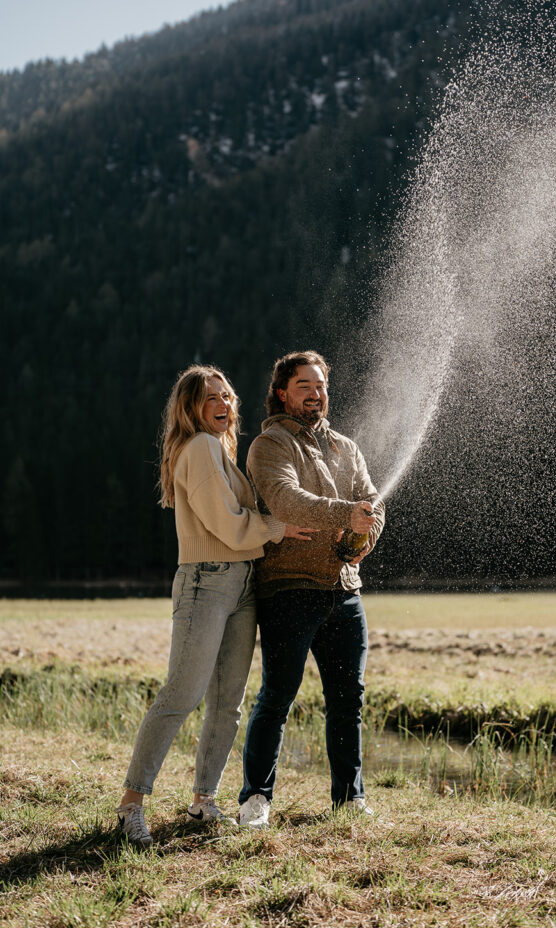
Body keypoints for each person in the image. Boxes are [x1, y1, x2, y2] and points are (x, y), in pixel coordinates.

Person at [116, 364, 315, 846]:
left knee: (227, 704)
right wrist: (275, 528)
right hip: (207, 581)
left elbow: (237, 519)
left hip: (241, 581)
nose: (225, 405)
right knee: (181, 695)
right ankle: (130, 805)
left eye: (228, 396)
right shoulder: (201, 447)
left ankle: (204, 801)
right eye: (212, 398)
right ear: (190, 407)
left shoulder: (221, 451)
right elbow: (227, 524)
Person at [238, 350, 385, 829]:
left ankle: (350, 799)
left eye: (321, 385)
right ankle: (256, 799)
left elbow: (372, 506)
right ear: (283, 392)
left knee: (349, 699)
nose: (316, 394)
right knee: (278, 695)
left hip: (345, 590)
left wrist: (361, 536)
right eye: (305, 386)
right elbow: (286, 500)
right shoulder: (270, 445)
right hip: (288, 588)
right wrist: (347, 514)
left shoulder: (347, 447)